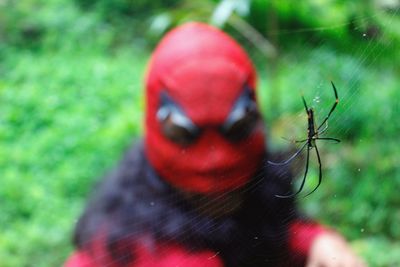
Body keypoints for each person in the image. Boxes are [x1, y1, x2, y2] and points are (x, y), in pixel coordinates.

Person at [65, 22, 366, 267]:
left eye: (233, 189)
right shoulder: (119, 241)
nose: (218, 184)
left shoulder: (258, 195)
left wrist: (315, 240)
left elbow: (270, 231)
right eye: (200, 196)